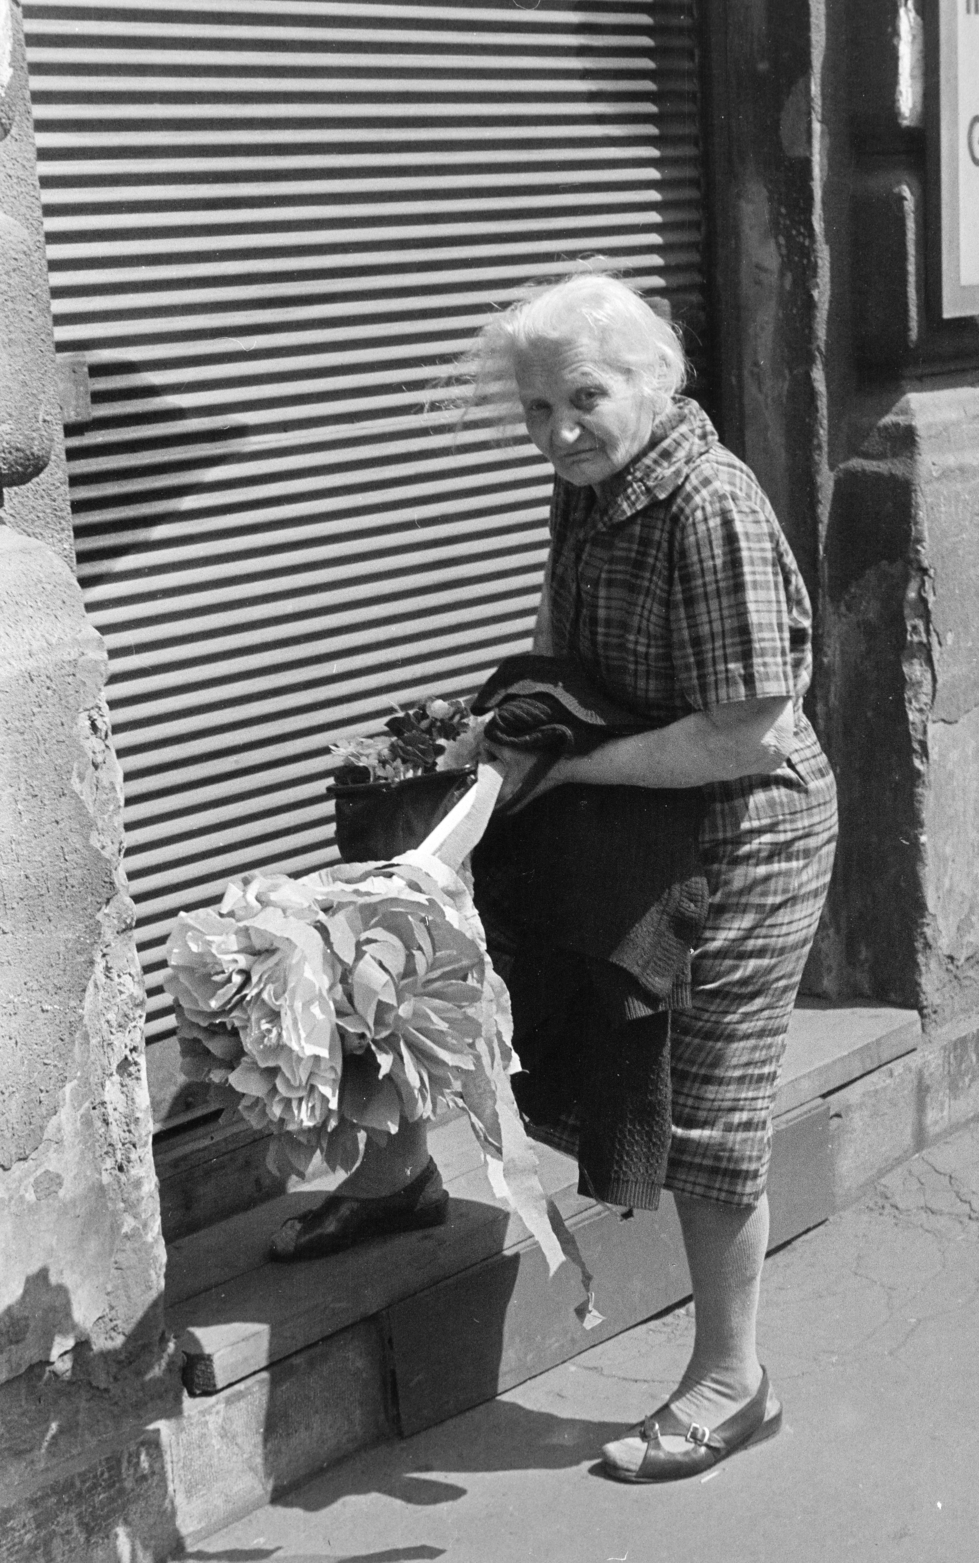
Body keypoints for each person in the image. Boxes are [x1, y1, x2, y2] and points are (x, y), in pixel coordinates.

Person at [274, 270, 837, 1486]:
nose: (557, 430)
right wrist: (502, 739)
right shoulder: (592, 484)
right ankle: (399, 1178)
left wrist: (570, 772)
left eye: (581, 398)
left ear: (655, 380)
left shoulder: (708, 507)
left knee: (707, 1104)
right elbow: (565, 627)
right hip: (638, 800)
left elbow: (746, 729)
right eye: (535, 409)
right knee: (411, 924)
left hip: (745, 828)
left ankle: (733, 1380)